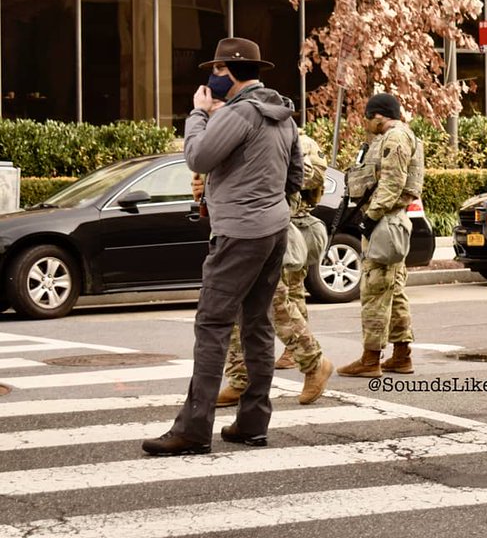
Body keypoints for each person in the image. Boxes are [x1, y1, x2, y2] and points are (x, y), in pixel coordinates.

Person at [143, 37, 302, 456]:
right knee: (258, 324)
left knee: (212, 326)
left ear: (227, 74)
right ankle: (253, 424)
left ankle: (193, 431)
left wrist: (197, 114)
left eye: (214, 70)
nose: (210, 77)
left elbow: (197, 157)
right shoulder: (282, 114)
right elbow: (295, 178)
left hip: (238, 232)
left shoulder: (240, 112)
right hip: (273, 229)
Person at [212, 132, 334, 408]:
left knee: (276, 302)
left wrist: (264, 180)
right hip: (235, 226)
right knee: (232, 308)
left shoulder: (286, 136)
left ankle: (313, 363)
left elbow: (306, 177)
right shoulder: (234, 132)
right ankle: (241, 379)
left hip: (267, 227)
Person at [338, 92, 424, 378]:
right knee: (394, 291)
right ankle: (401, 355)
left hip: (385, 221)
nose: (367, 123)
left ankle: (370, 359)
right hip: (390, 220)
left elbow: (391, 182)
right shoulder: (397, 136)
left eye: (368, 117)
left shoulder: (396, 138)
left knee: (374, 291)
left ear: (379, 115)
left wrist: (371, 219)